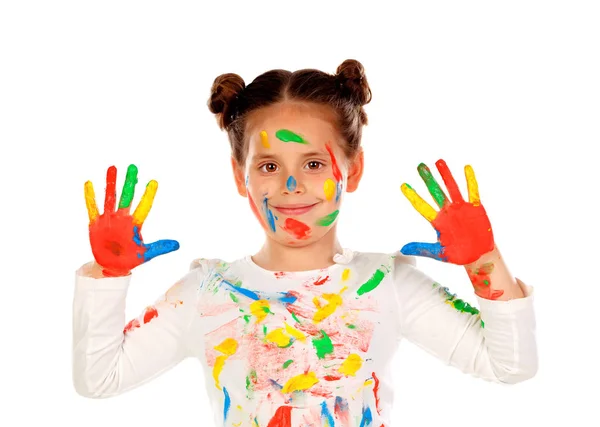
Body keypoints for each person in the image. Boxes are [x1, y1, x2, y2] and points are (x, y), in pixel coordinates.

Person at [72, 59, 537, 427]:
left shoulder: (385, 283)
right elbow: (100, 380)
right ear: (241, 176)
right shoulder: (207, 293)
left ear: (352, 169)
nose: (291, 184)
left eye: (314, 163)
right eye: (269, 166)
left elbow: (509, 367)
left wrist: (483, 261)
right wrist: (109, 276)